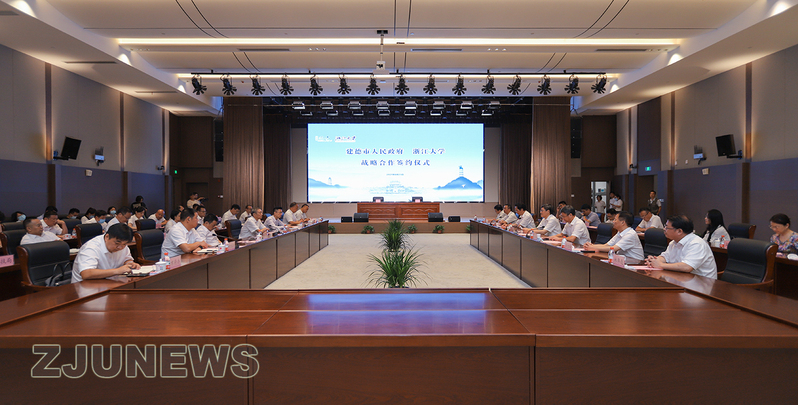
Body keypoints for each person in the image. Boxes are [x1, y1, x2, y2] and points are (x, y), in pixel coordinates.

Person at [645, 215, 717, 279]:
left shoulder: (697, 243)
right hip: (682, 279)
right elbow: (665, 257)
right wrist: (654, 261)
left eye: (667, 227)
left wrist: (661, 265)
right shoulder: (673, 242)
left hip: (701, 284)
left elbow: (687, 267)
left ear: (679, 231)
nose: (664, 229)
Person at [72, 223, 140, 283]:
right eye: (117, 243)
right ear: (107, 237)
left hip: (109, 282)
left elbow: (127, 259)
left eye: (124, 244)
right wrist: (117, 271)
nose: (120, 247)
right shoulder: (91, 248)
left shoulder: (122, 245)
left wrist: (130, 264)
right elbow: (86, 274)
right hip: (86, 287)